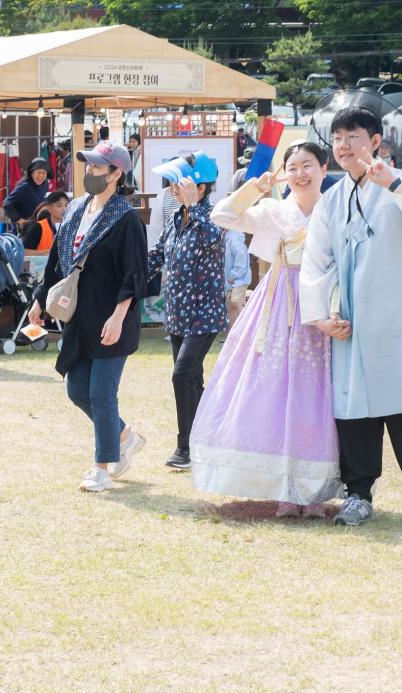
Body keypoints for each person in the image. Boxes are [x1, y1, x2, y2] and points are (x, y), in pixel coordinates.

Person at [300, 106, 402, 528]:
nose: (344, 145)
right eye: (338, 138)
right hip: (355, 325)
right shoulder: (332, 200)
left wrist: (398, 186)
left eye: (353, 136)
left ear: (374, 142)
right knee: (355, 413)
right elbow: (315, 262)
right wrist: (318, 317)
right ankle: (358, 493)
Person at [194, 141, 343, 518]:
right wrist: (256, 187)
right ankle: (282, 489)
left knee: (315, 395)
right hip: (278, 304)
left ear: (324, 169)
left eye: (308, 166)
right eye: (292, 168)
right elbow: (222, 216)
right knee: (275, 389)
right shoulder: (274, 210)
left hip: (324, 304)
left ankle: (313, 491)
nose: (300, 174)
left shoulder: (336, 210)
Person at [27, 141, 148, 493]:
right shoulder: (77, 209)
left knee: (101, 392)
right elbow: (57, 260)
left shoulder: (126, 218)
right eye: (89, 167)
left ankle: (102, 468)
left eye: (97, 168)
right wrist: (39, 298)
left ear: (116, 174)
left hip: (113, 318)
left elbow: (135, 275)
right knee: (77, 389)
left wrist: (119, 315)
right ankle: (125, 437)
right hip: (80, 317)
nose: (90, 173)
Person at [147, 153, 225, 471]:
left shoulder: (215, 216)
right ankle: (212, 436)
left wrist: (194, 208)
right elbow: (157, 254)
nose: (170, 190)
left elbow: (215, 238)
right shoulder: (175, 218)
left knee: (182, 376)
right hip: (178, 314)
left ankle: (186, 447)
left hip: (204, 315)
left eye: (176, 183)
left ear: (199, 186)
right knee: (191, 380)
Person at [2, 158, 52, 228]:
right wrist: (19, 219)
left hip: (36, 227)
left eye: (43, 173)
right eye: (38, 172)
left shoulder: (43, 185)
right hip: (23, 231)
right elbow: (7, 203)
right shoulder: (24, 187)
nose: (41, 175)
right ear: (32, 173)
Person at [223, 227, 250, 327]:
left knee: (235, 303)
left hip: (239, 278)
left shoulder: (234, 238)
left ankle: (248, 330)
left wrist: (234, 275)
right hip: (229, 279)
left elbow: (241, 259)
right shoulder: (225, 237)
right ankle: (232, 336)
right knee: (229, 307)